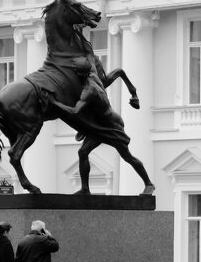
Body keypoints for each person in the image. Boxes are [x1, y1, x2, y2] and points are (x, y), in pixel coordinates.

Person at [49, 56, 155, 196]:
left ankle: (149, 184)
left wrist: (55, 103)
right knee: (83, 152)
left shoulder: (89, 90)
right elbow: (119, 72)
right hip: (100, 124)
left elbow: (75, 111)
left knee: (127, 156)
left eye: (74, 72)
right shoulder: (93, 77)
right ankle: (85, 189)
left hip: (111, 125)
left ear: (79, 74)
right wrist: (133, 92)